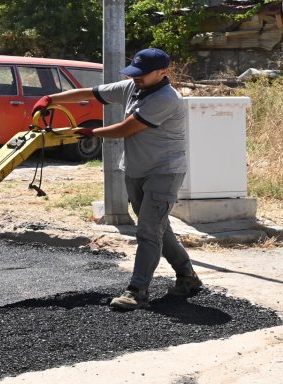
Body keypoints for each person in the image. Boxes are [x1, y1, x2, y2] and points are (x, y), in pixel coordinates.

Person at [32, 48, 202, 310]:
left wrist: (88, 132)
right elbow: (91, 93)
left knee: (148, 231)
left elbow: (126, 128)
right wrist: (50, 99)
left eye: (142, 74)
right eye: (134, 72)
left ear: (162, 72)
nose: (136, 77)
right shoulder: (132, 86)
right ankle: (187, 276)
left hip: (164, 172)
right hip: (136, 169)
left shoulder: (166, 99)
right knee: (157, 227)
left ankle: (137, 291)